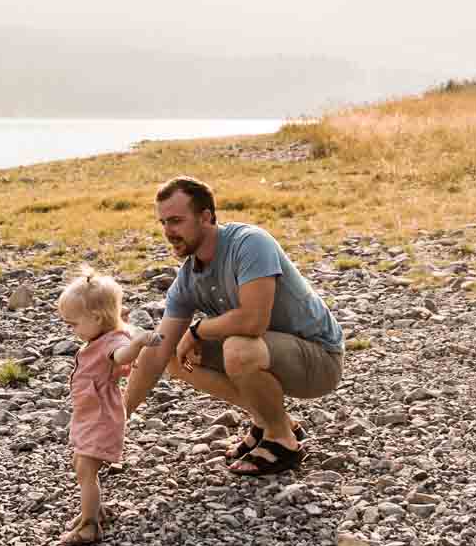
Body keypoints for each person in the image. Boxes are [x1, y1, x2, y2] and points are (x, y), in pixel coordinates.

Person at [122, 176, 344, 476]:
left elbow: (253, 321)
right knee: (173, 354)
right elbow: (156, 353)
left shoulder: (250, 243)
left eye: (175, 221)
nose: (168, 232)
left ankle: (283, 442)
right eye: (162, 223)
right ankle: (270, 420)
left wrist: (198, 330)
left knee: (238, 347)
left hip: (319, 360)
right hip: (268, 354)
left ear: (206, 217)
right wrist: (117, 419)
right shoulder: (188, 278)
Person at [55, 269, 146, 546]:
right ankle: (95, 509)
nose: (71, 331)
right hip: (89, 415)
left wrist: (139, 343)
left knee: (86, 469)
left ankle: (89, 526)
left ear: (96, 318)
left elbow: (122, 355)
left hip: (101, 417)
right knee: (80, 464)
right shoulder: (98, 338)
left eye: (73, 325)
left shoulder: (114, 343)